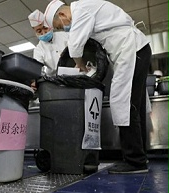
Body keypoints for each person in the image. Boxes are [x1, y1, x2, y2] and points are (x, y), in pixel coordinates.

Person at [44, 0, 152, 174]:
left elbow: (75, 46)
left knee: (124, 102)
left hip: (132, 49)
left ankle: (135, 161)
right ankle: (140, 157)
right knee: (134, 105)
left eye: (58, 26)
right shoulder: (86, 9)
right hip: (136, 49)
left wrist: (80, 66)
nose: (63, 29)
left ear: (62, 15)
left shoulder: (81, 10)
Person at [28, 9, 69, 78]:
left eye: (45, 28)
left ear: (49, 25)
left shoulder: (65, 36)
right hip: (56, 79)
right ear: (35, 32)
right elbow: (37, 68)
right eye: (39, 31)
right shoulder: (39, 50)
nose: (43, 33)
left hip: (75, 72)